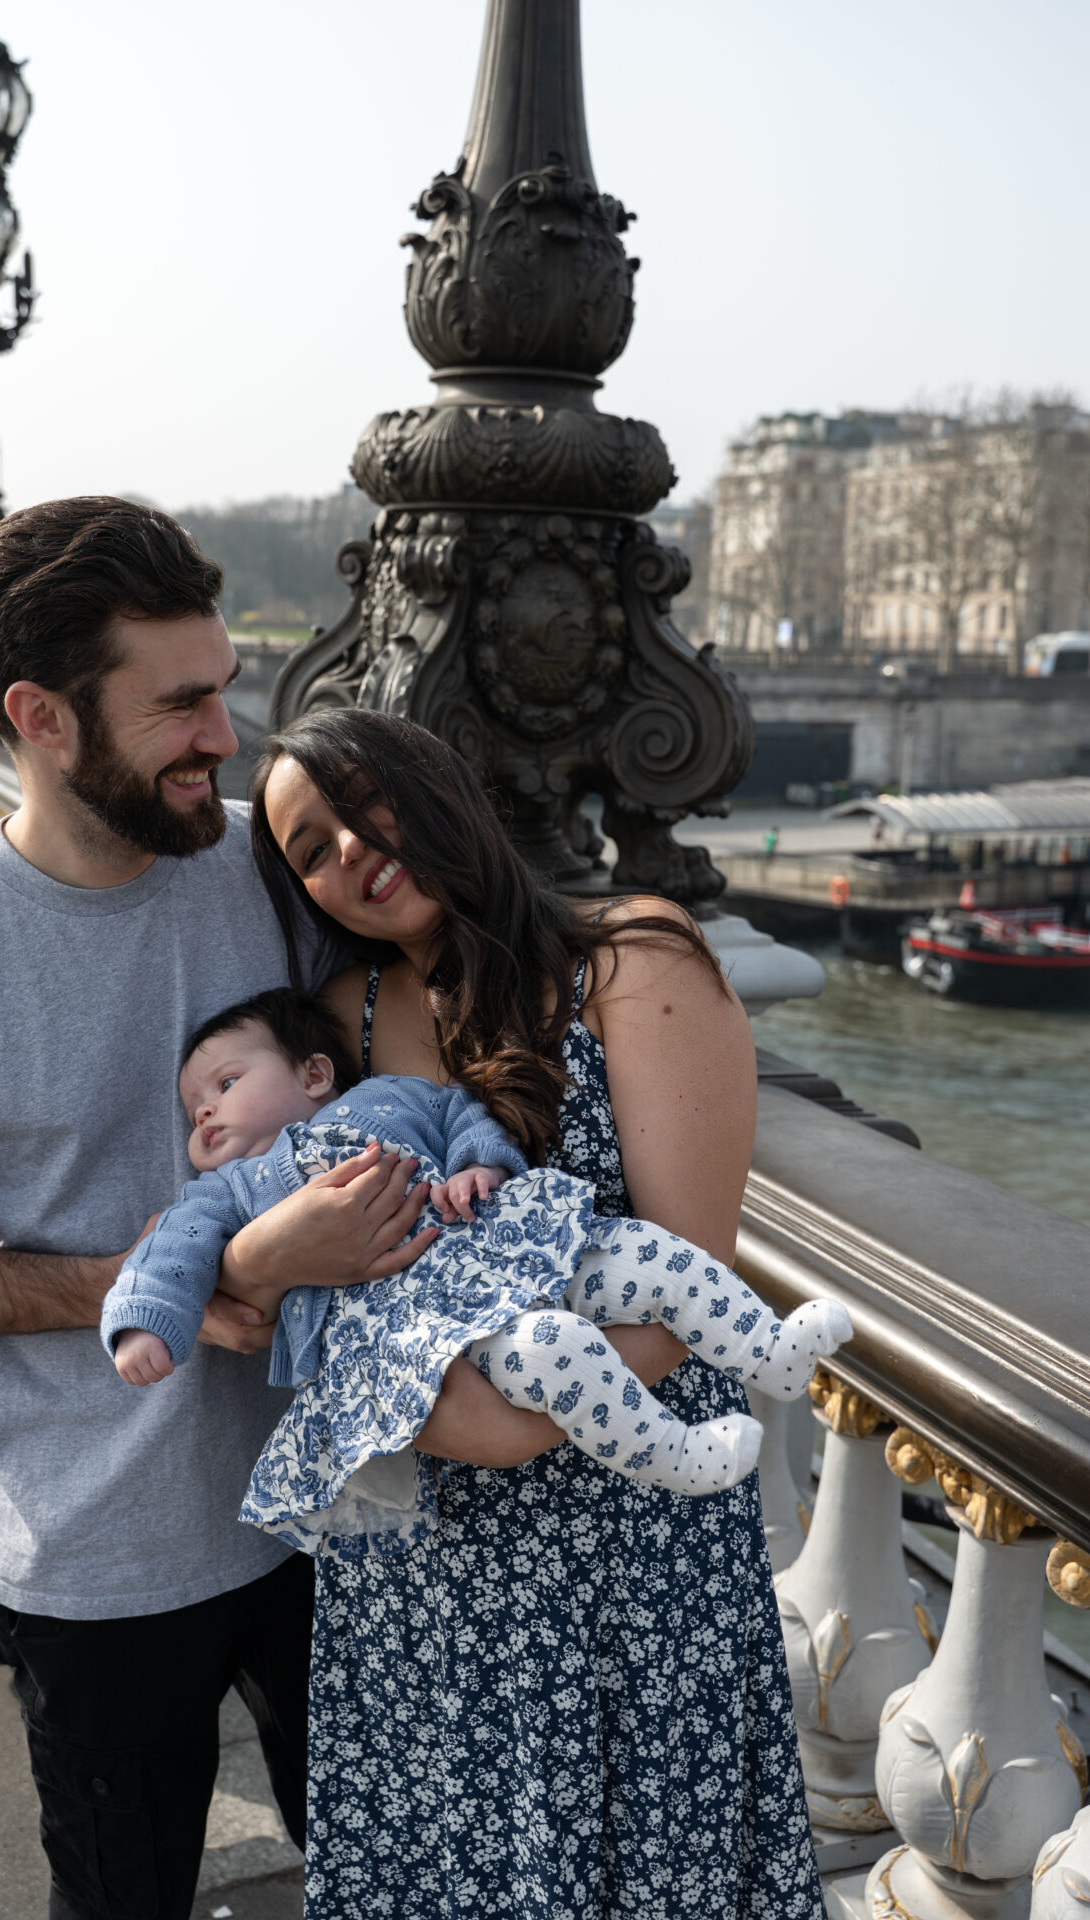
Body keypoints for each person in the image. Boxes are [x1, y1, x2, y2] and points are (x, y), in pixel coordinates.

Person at [0, 498, 437, 1920]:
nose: (227, 737)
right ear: (42, 716)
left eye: (225, 691)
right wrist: (146, 1284)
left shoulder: (275, 874)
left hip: (337, 1509)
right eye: (186, 704)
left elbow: (430, 1033)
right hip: (94, 1561)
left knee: (400, 1885)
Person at [243, 708, 828, 1920]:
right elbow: (316, 1249)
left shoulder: (632, 962)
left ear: (435, 783)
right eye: (306, 848)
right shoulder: (337, 1016)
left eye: (363, 802)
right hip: (422, 1572)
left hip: (628, 1545)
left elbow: (683, 1287)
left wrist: (501, 1421)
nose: (348, 848)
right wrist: (421, 1405)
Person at [101, 988, 850, 1542]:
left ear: (315, 1074)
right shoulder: (230, 1191)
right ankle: (670, 1451)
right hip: (432, 1330)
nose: (203, 1111)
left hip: (508, 1243)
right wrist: (143, 1327)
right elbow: (170, 1248)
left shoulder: (386, 1099)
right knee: (557, 1350)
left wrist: (477, 1166)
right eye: (193, 1107)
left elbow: (463, 1111)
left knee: (651, 1257)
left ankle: (769, 1348)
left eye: (225, 1084)